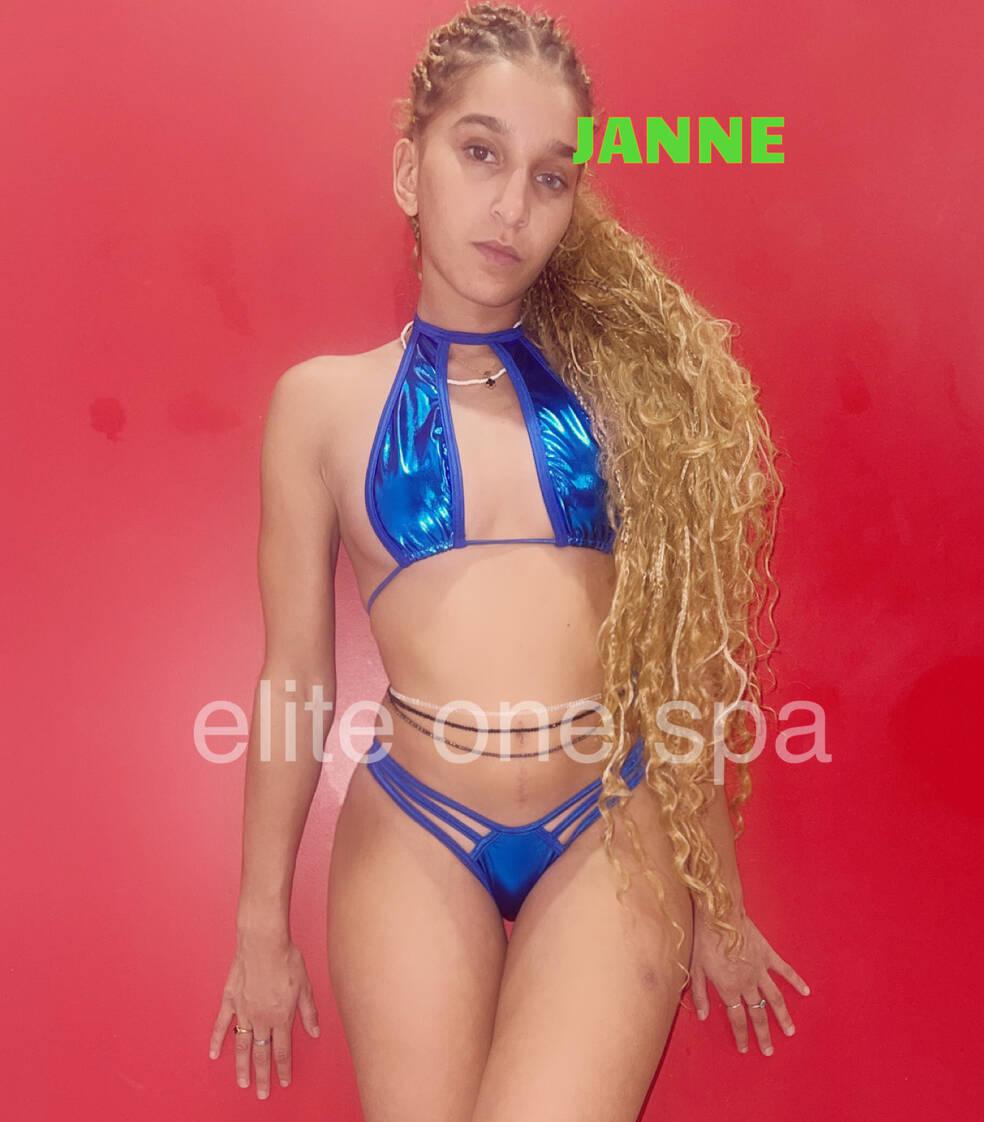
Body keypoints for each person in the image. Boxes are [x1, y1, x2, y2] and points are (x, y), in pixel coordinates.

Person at [208, 3, 811, 1116]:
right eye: (480, 153)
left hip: (607, 821)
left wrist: (720, 902)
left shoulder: (629, 401)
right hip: (413, 824)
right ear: (410, 169)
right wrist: (258, 921)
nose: (511, 206)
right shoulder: (321, 406)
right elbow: (295, 676)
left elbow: (673, 663)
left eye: (549, 176)